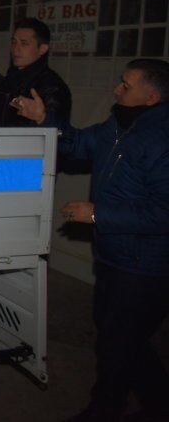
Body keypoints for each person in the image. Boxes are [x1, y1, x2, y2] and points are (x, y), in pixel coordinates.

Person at [15, 59, 169, 422]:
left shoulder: (162, 139)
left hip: (145, 264)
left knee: (117, 341)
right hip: (114, 254)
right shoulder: (118, 124)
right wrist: (44, 119)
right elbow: (77, 143)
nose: (117, 89)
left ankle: (105, 408)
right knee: (120, 335)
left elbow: (163, 212)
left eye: (126, 86)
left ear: (152, 97)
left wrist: (98, 214)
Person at [0, 18, 71, 127]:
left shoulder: (52, 86)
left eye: (24, 43)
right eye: (14, 42)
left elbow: (58, 130)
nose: (16, 49)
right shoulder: (9, 79)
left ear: (42, 49)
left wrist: (42, 118)